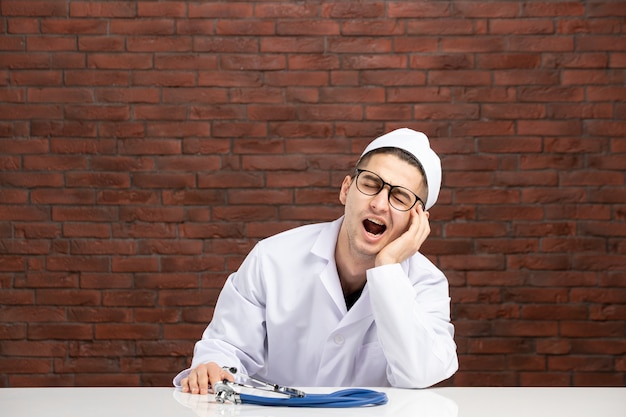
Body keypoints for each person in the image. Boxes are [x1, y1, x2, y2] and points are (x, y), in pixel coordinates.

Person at [173, 128, 458, 394]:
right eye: (371, 184)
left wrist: (387, 269)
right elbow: (226, 347)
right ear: (346, 189)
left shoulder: (426, 283)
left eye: (400, 197)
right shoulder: (272, 258)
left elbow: (420, 373)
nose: (380, 204)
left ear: (417, 220)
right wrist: (213, 368)